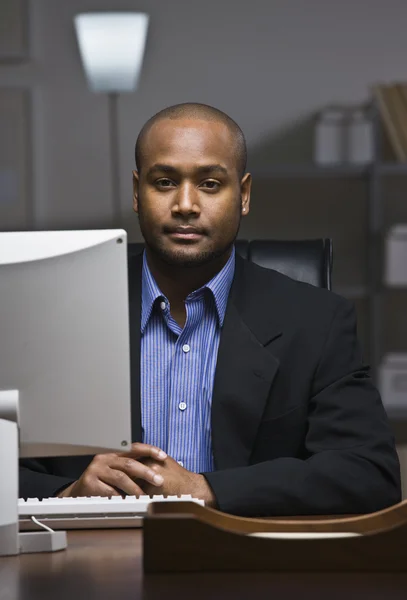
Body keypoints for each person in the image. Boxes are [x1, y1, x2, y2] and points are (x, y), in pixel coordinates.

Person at [20, 103, 401, 516]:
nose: (185, 204)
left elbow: (368, 473)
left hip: (246, 563)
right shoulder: (54, 311)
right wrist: (66, 495)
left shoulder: (317, 321)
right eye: (164, 182)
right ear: (136, 193)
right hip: (89, 565)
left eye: (210, 184)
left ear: (244, 195)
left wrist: (207, 490)